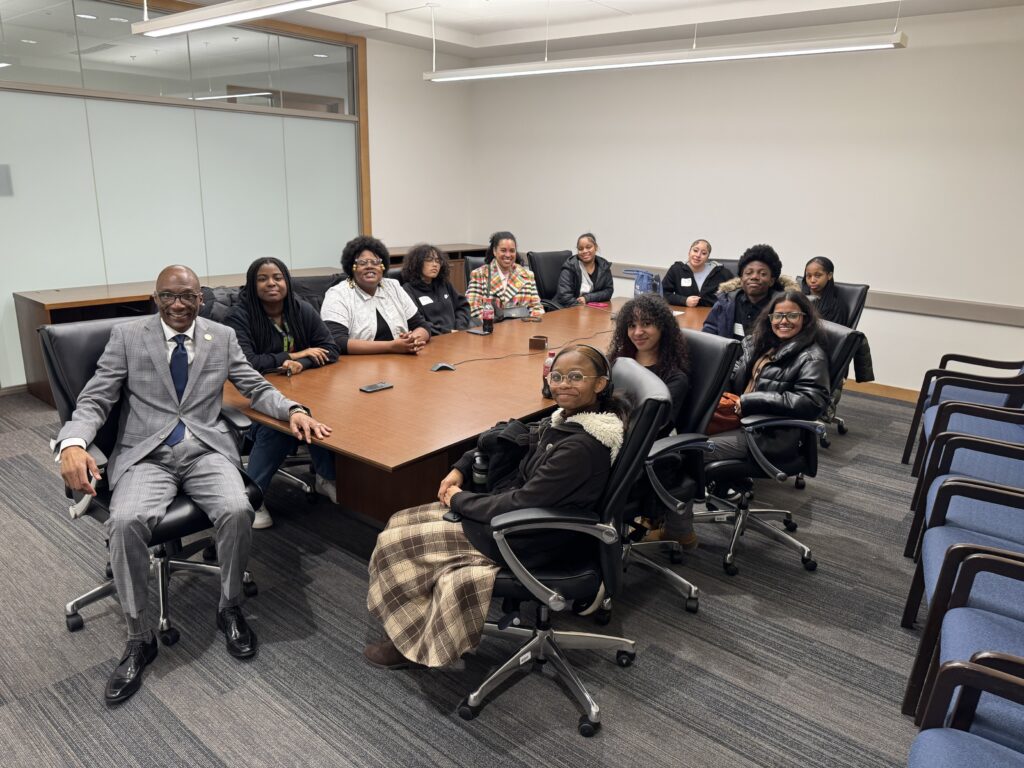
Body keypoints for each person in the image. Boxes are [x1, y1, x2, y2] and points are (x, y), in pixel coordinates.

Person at [56, 265, 330, 705]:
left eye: (188, 296)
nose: (179, 305)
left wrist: (294, 409)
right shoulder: (128, 337)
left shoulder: (219, 336)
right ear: (155, 298)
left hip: (205, 450)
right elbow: (96, 398)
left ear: (201, 299)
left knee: (238, 509)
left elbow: (255, 387)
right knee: (125, 521)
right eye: (169, 296)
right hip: (147, 454)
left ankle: (230, 608)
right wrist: (72, 442)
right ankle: (138, 637)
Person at [363, 345, 629, 669]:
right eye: (557, 376)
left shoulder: (581, 447)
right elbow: (513, 436)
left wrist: (459, 499)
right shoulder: (567, 419)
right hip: (520, 519)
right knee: (400, 522)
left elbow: (524, 502)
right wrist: (462, 465)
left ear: (599, 384)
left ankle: (413, 645)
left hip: (530, 536)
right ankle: (409, 627)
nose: (563, 384)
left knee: (402, 543)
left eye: (576, 377)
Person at [225, 257, 340, 529]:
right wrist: (291, 354)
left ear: (287, 281)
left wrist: (303, 363)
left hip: (297, 389)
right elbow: (247, 363)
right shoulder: (238, 317)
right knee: (276, 427)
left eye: (277, 277)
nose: (271, 283)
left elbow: (330, 348)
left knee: (322, 407)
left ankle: (325, 477)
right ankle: (254, 497)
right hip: (248, 396)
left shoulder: (301, 309)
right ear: (252, 285)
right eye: (262, 279)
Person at [608, 295, 697, 548]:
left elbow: (649, 428)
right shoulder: (621, 361)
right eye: (631, 325)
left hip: (639, 451)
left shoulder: (674, 379)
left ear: (663, 328)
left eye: (646, 324)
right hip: (613, 436)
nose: (638, 332)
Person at [706, 291, 830, 464]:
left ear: (805, 319)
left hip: (769, 433)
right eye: (778, 316)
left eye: (792, 315)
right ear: (770, 318)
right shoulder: (757, 343)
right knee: (681, 430)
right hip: (737, 418)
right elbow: (733, 375)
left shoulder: (812, 357)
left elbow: (812, 402)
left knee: (694, 450)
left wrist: (753, 400)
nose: (784, 321)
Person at [321, 235, 432, 354]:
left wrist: (411, 341)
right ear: (352, 267)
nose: (369, 266)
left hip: (400, 360)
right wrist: (391, 347)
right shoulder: (338, 294)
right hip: (357, 366)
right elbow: (337, 341)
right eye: (362, 262)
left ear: (382, 266)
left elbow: (422, 326)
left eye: (375, 262)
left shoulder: (393, 287)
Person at [702, 243, 798, 340]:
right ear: (741, 278)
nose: (754, 277)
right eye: (748, 273)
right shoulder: (725, 302)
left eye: (762, 274)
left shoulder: (783, 306)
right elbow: (709, 332)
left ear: (771, 281)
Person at [465, 231, 544, 319]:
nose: (508, 255)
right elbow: (472, 308)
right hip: (492, 328)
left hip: (522, 328)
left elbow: (536, 307)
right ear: (494, 251)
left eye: (512, 251)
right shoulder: (479, 275)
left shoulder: (527, 275)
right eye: (503, 250)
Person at [400, 243, 472, 335]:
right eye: (429, 260)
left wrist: (459, 327)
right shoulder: (408, 289)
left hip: (456, 335)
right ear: (417, 263)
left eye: (438, 261)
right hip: (432, 338)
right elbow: (417, 321)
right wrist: (446, 331)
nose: (435, 265)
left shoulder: (444, 284)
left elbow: (463, 306)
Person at [663, 239, 733, 308]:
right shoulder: (677, 269)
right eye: (695, 250)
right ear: (689, 252)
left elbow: (736, 294)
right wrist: (684, 300)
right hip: (686, 314)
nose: (698, 255)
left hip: (713, 314)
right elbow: (663, 293)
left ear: (707, 257)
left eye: (704, 253)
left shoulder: (720, 271)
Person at [555, 232, 614, 307]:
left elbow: (608, 291)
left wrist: (587, 298)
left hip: (590, 310)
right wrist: (582, 307)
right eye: (580, 249)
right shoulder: (570, 267)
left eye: (588, 247)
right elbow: (564, 297)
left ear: (595, 247)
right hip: (567, 310)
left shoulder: (604, 266)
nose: (584, 251)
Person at [802, 256, 849, 326]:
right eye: (808, 276)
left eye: (817, 275)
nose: (812, 280)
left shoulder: (836, 307)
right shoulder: (800, 296)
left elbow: (832, 335)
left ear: (829, 275)